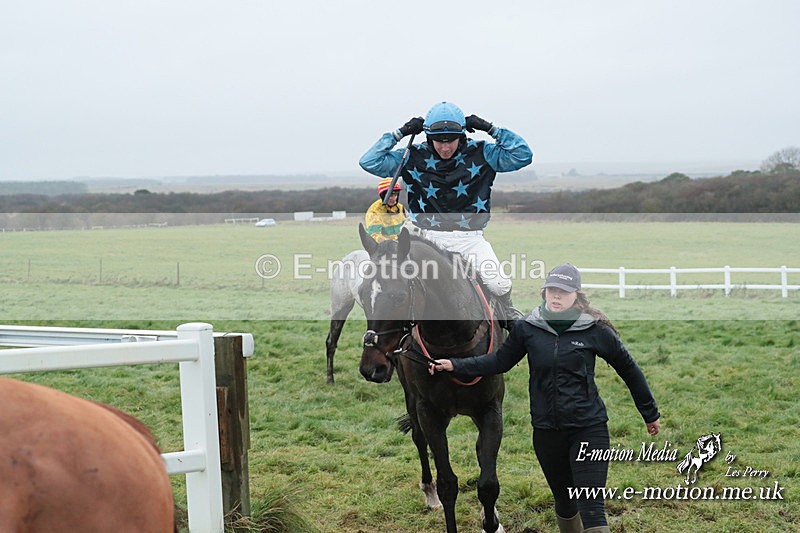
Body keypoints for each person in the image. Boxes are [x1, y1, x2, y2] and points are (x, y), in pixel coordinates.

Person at [428, 264, 661, 533]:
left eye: (563, 291)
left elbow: (629, 369)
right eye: (552, 290)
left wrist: (649, 413)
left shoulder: (594, 330)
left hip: (588, 428)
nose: (556, 296)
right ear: (544, 292)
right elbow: (499, 361)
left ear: (577, 295)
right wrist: (455, 365)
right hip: (546, 432)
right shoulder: (529, 328)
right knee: (564, 502)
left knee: (591, 505)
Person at [359, 101, 533, 323]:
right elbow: (369, 161)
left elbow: (523, 155)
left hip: (470, 240)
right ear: (427, 137)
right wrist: (399, 133)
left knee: (500, 284)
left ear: (461, 135)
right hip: (424, 238)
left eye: (450, 140)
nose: (444, 148)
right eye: (438, 141)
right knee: (395, 285)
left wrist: (491, 129)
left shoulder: (483, 153)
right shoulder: (411, 156)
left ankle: (508, 315)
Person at [365, 177, 407, 243]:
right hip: (383, 246)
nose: (393, 198)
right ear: (383, 196)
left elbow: (407, 226)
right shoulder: (374, 211)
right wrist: (391, 243)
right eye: (390, 195)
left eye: (395, 195)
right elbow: (375, 235)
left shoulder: (400, 207)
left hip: (399, 244)